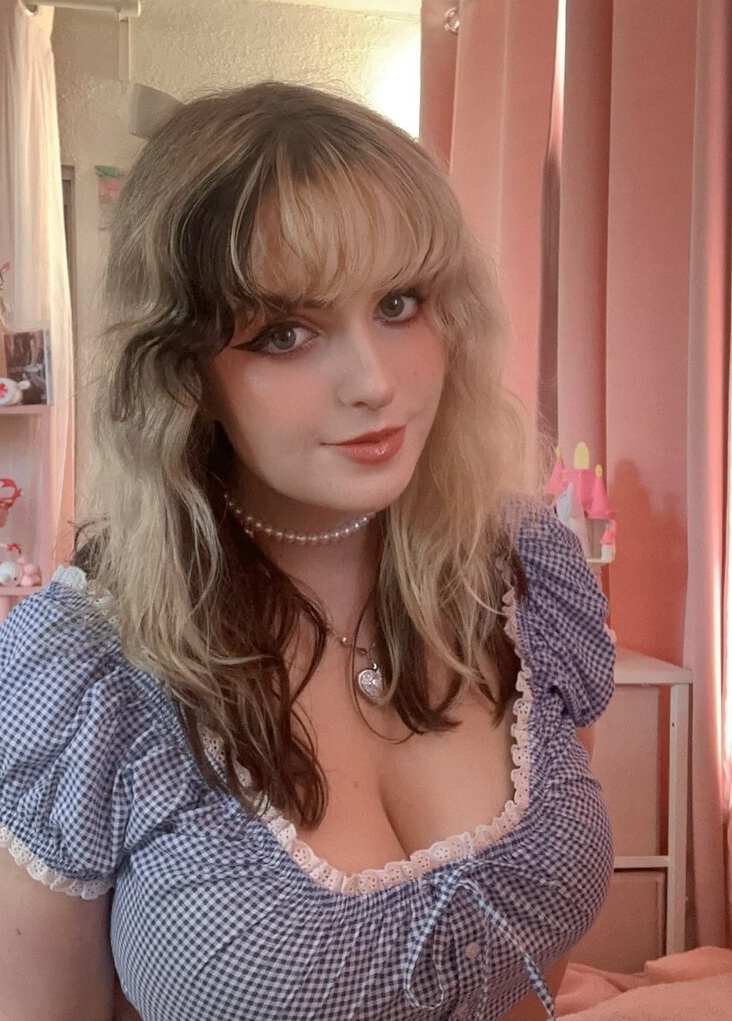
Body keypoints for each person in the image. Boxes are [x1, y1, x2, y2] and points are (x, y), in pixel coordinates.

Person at [0, 82, 615, 1021]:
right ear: (181, 371)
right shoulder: (84, 674)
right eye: (283, 333)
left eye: (400, 302)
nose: (374, 383)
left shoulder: (524, 573)